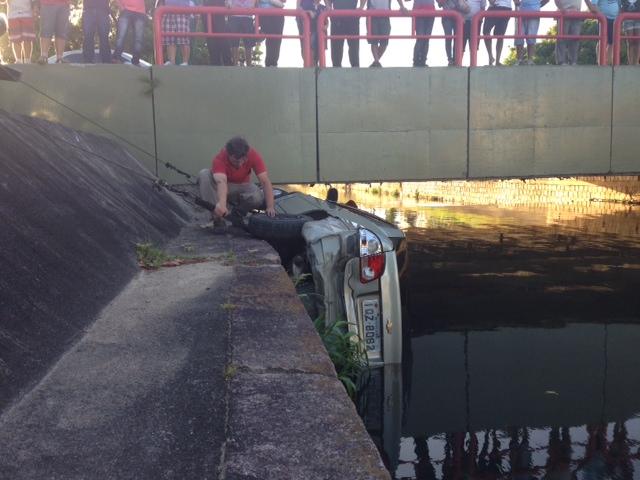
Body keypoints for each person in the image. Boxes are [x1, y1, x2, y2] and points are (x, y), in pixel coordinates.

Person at [197, 136, 276, 227]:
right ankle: (216, 218)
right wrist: (222, 204)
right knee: (204, 174)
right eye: (235, 161)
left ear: (246, 154)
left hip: (242, 186)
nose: (239, 164)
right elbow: (221, 182)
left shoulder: (253, 154)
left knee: (257, 196)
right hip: (222, 186)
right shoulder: (220, 158)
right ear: (229, 154)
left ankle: (236, 214)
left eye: (243, 160)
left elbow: (265, 181)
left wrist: (270, 207)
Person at [366, 0, 406, 67]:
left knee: (384, 42)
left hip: (385, 15)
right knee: (374, 41)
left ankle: (376, 62)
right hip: (372, 15)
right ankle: (376, 61)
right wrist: (361, 7)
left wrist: (402, 6)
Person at [112, 0, 146, 65]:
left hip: (140, 12)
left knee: (139, 39)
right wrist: (121, 7)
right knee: (121, 36)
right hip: (126, 10)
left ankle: (135, 61)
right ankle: (115, 58)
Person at [327, 0, 360, 66]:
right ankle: (336, 68)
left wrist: (361, 7)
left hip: (352, 16)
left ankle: (355, 68)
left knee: (354, 45)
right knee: (336, 45)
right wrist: (328, 7)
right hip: (337, 16)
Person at [584, 0, 618, 64]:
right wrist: (600, 15)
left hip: (615, 19)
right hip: (603, 19)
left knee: (612, 41)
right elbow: (593, 5)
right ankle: (601, 62)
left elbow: (619, 4)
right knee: (603, 40)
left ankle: (608, 62)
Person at [296, 0, 327, 65]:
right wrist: (308, 12)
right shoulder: (307, 5)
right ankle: (309, 65)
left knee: (319, 48)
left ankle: (317, 65)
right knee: (308, 46)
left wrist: (326, 26)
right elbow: (300, 10)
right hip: (309, 31)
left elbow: (326, 21)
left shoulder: (323, 7)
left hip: (319, 32)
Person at [226, 0, 257, 65]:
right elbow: (228, 4)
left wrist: (252, 5)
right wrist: (228, 4)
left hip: (247, 16)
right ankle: (235, 65)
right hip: (234, 15)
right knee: (234, 42)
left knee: (249, 42)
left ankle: (249, 65)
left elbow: (254, 3)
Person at [162, 0, 192, 64]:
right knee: (170, 39)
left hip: (183, 9)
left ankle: (185, 62)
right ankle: (171, 62)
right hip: (168, 10)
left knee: (184, 38)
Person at [483, 0, 511, 65]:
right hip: (502, 7)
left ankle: (494, 59)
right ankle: (493, 58)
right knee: (495, 34)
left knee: (498, 35)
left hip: (501, 7)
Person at [203, 0, 232, 65]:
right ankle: (214, 63)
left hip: (218, 6)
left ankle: (228, 63)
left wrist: (229, 1)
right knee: (210, 38)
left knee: (222, 35)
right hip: (206, 7)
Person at [258, 0, 285, 66]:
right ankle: (269, 63)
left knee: (277, 39)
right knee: (269, 39)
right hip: (264, 14)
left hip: (278, 15)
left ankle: (273, 63)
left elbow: (283, 2)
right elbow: (255, 3)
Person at [554, 0, 582, 65]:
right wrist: (561, 8)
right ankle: (561, 61)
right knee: (562, 37)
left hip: (577, 13)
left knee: (575, 38)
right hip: (563, 13)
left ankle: (573, 61)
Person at [408, 0, 435, 66]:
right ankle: (416, 61)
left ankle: (422, 60)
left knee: (426, 39)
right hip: (419, 12)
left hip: (430, 12)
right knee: (421, 38)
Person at [620, 0, 640, 64]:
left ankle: (636, 62)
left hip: (638, 19)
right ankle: (630, 63)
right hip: (627, 19)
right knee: (630, 42)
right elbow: (620, 7)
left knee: (638, 42)